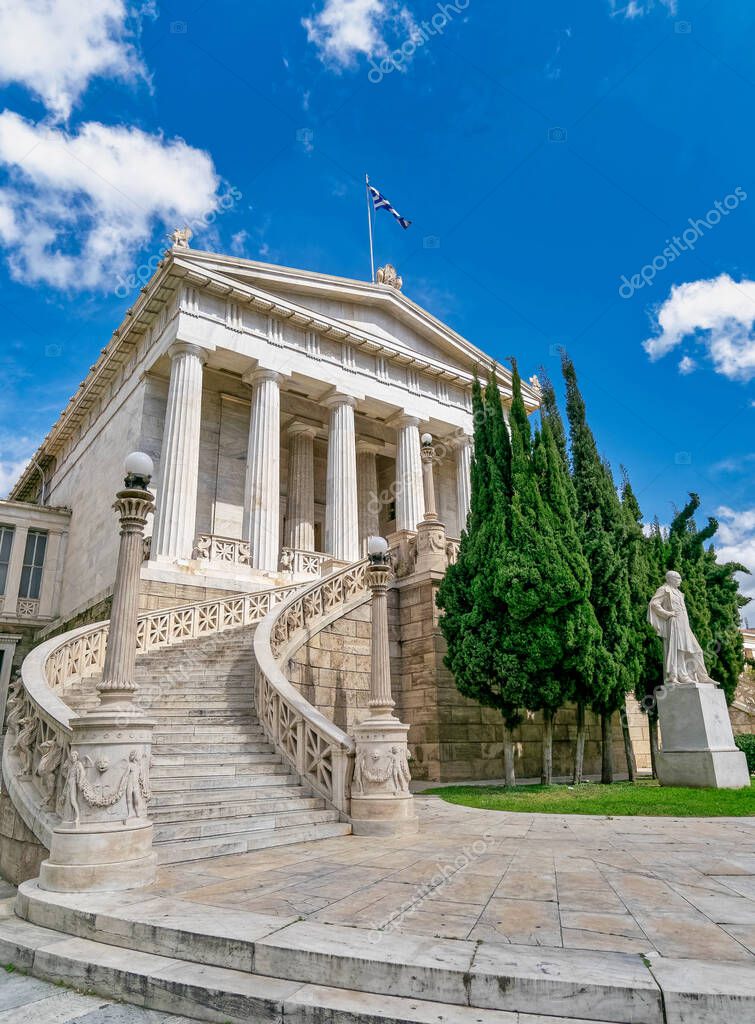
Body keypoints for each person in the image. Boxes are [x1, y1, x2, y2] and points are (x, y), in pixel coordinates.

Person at [648, 570, 715, 685]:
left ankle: (702, 676)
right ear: (670, 579)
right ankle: (682, 676)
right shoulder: (664, 589)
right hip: (674, 622)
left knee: (697, 650)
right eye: (677, 578)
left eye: (680, 578)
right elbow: (654, 604)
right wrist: (668, 613)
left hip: (684, 624)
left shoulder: (679, 592)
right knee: (679, 649)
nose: (680, 580)